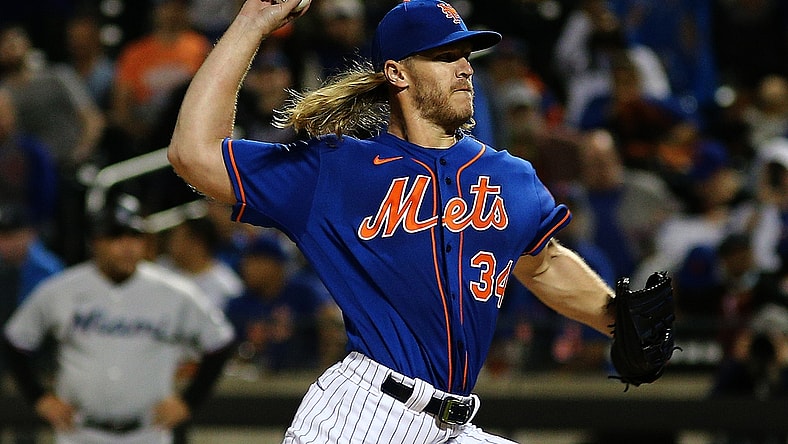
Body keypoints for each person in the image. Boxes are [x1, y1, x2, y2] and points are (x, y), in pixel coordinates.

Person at [167, 1, 639, 442]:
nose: (466, 68)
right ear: (397, 72)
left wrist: (618, 319)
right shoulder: (336, 171)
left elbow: (543, 263)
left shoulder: (510, 177)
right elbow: (194, 154)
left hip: (457, 423)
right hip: (366, 414)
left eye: (467, 54)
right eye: (445, 55)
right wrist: (252, 23)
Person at [2, 196, 235, 444]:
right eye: (116, 236)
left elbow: (220, 342)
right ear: (96, 242)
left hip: (148, 433)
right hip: (79, 433)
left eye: (134, 236)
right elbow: (15, 340)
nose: (127, 246)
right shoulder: (62, 289)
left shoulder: (175, 292)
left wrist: (189, 401)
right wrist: (39, 398)